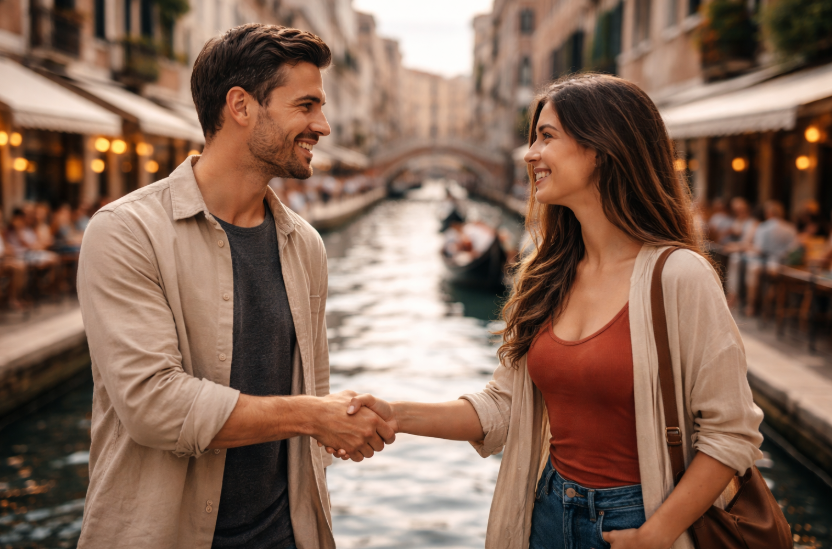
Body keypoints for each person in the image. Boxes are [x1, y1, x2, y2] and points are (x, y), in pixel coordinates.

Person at [328, 74, 764, 549]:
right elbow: (503, 406)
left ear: (602, 149)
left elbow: (731, 433)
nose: (529, 154)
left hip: (642, 520)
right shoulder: (546, 273)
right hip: (547, 510)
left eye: (546, 137)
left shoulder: (680, 275)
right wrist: (394, 413)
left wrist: (655, 534)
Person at [76, 24, 393, 549]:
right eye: (306, 106)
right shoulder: (126, 232)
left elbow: (311, 393)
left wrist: (337, 420)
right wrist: (315, 416)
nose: (323, 125)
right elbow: (153, 406)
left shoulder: (305, 245)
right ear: (241, 106)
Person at [743, 200, 797, 316]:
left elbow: (759, 249)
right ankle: (769, 305)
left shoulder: (763, 227)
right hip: (781, 265)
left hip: (765, 263)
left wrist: (748, 248)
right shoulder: (790, 228)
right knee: (773, 280)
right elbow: (793, 249)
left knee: (752, 270)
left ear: (769, 213)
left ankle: (751, 305)